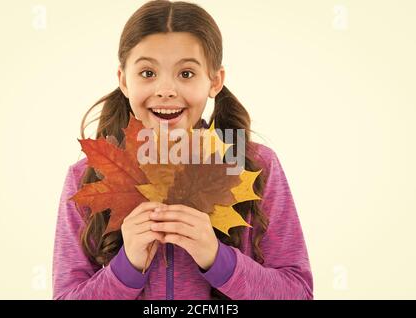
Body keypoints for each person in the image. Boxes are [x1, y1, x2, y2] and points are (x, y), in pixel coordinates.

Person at [52, 0, 313, 300]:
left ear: (214, 81)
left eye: (186, 74)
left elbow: (299, 293)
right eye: (148, 73)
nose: (166, 90)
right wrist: (127, 266)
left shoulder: (253, 165)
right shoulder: (88, 176)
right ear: (124, 80)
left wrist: (218, 259)